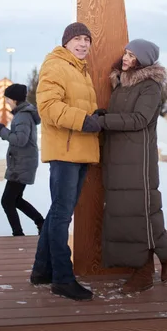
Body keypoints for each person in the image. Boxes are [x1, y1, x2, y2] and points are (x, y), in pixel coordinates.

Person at [98, 39, 167, 292]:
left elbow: (140, 119)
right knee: (132, 213)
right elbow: (120, 116)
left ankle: (144, 272)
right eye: (126, 53)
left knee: (138, 214)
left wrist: (103, 121)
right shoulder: (121, 83)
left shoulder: (149, 86)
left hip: (138, 160)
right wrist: (102, 116)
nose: (125, 58)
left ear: (143, 61)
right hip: (117, 157)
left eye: (132, 55)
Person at [30, 22, 101, 301]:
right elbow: (47, 108)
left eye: (87, 39)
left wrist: (96, 114)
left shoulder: (78, 70)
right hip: (65, 152)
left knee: (58, 213)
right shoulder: (56, 65)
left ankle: (41, 270)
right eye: (78, 39)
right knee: (61, 215)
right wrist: (84, 120)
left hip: (79, 150)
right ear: (66, 42)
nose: (83, 44)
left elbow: (76, 104)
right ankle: (62, 278)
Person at [0, 83, 44, 237]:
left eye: (8, 99)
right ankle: (41, 223)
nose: (7, 102)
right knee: (14, 199)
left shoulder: (22, 116)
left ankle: (19, 233)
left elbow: (20, 140)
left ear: (14, 99)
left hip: (22, 164)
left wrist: (2, 130)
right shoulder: (23, 113)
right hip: (23, 162)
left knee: (7, 200)